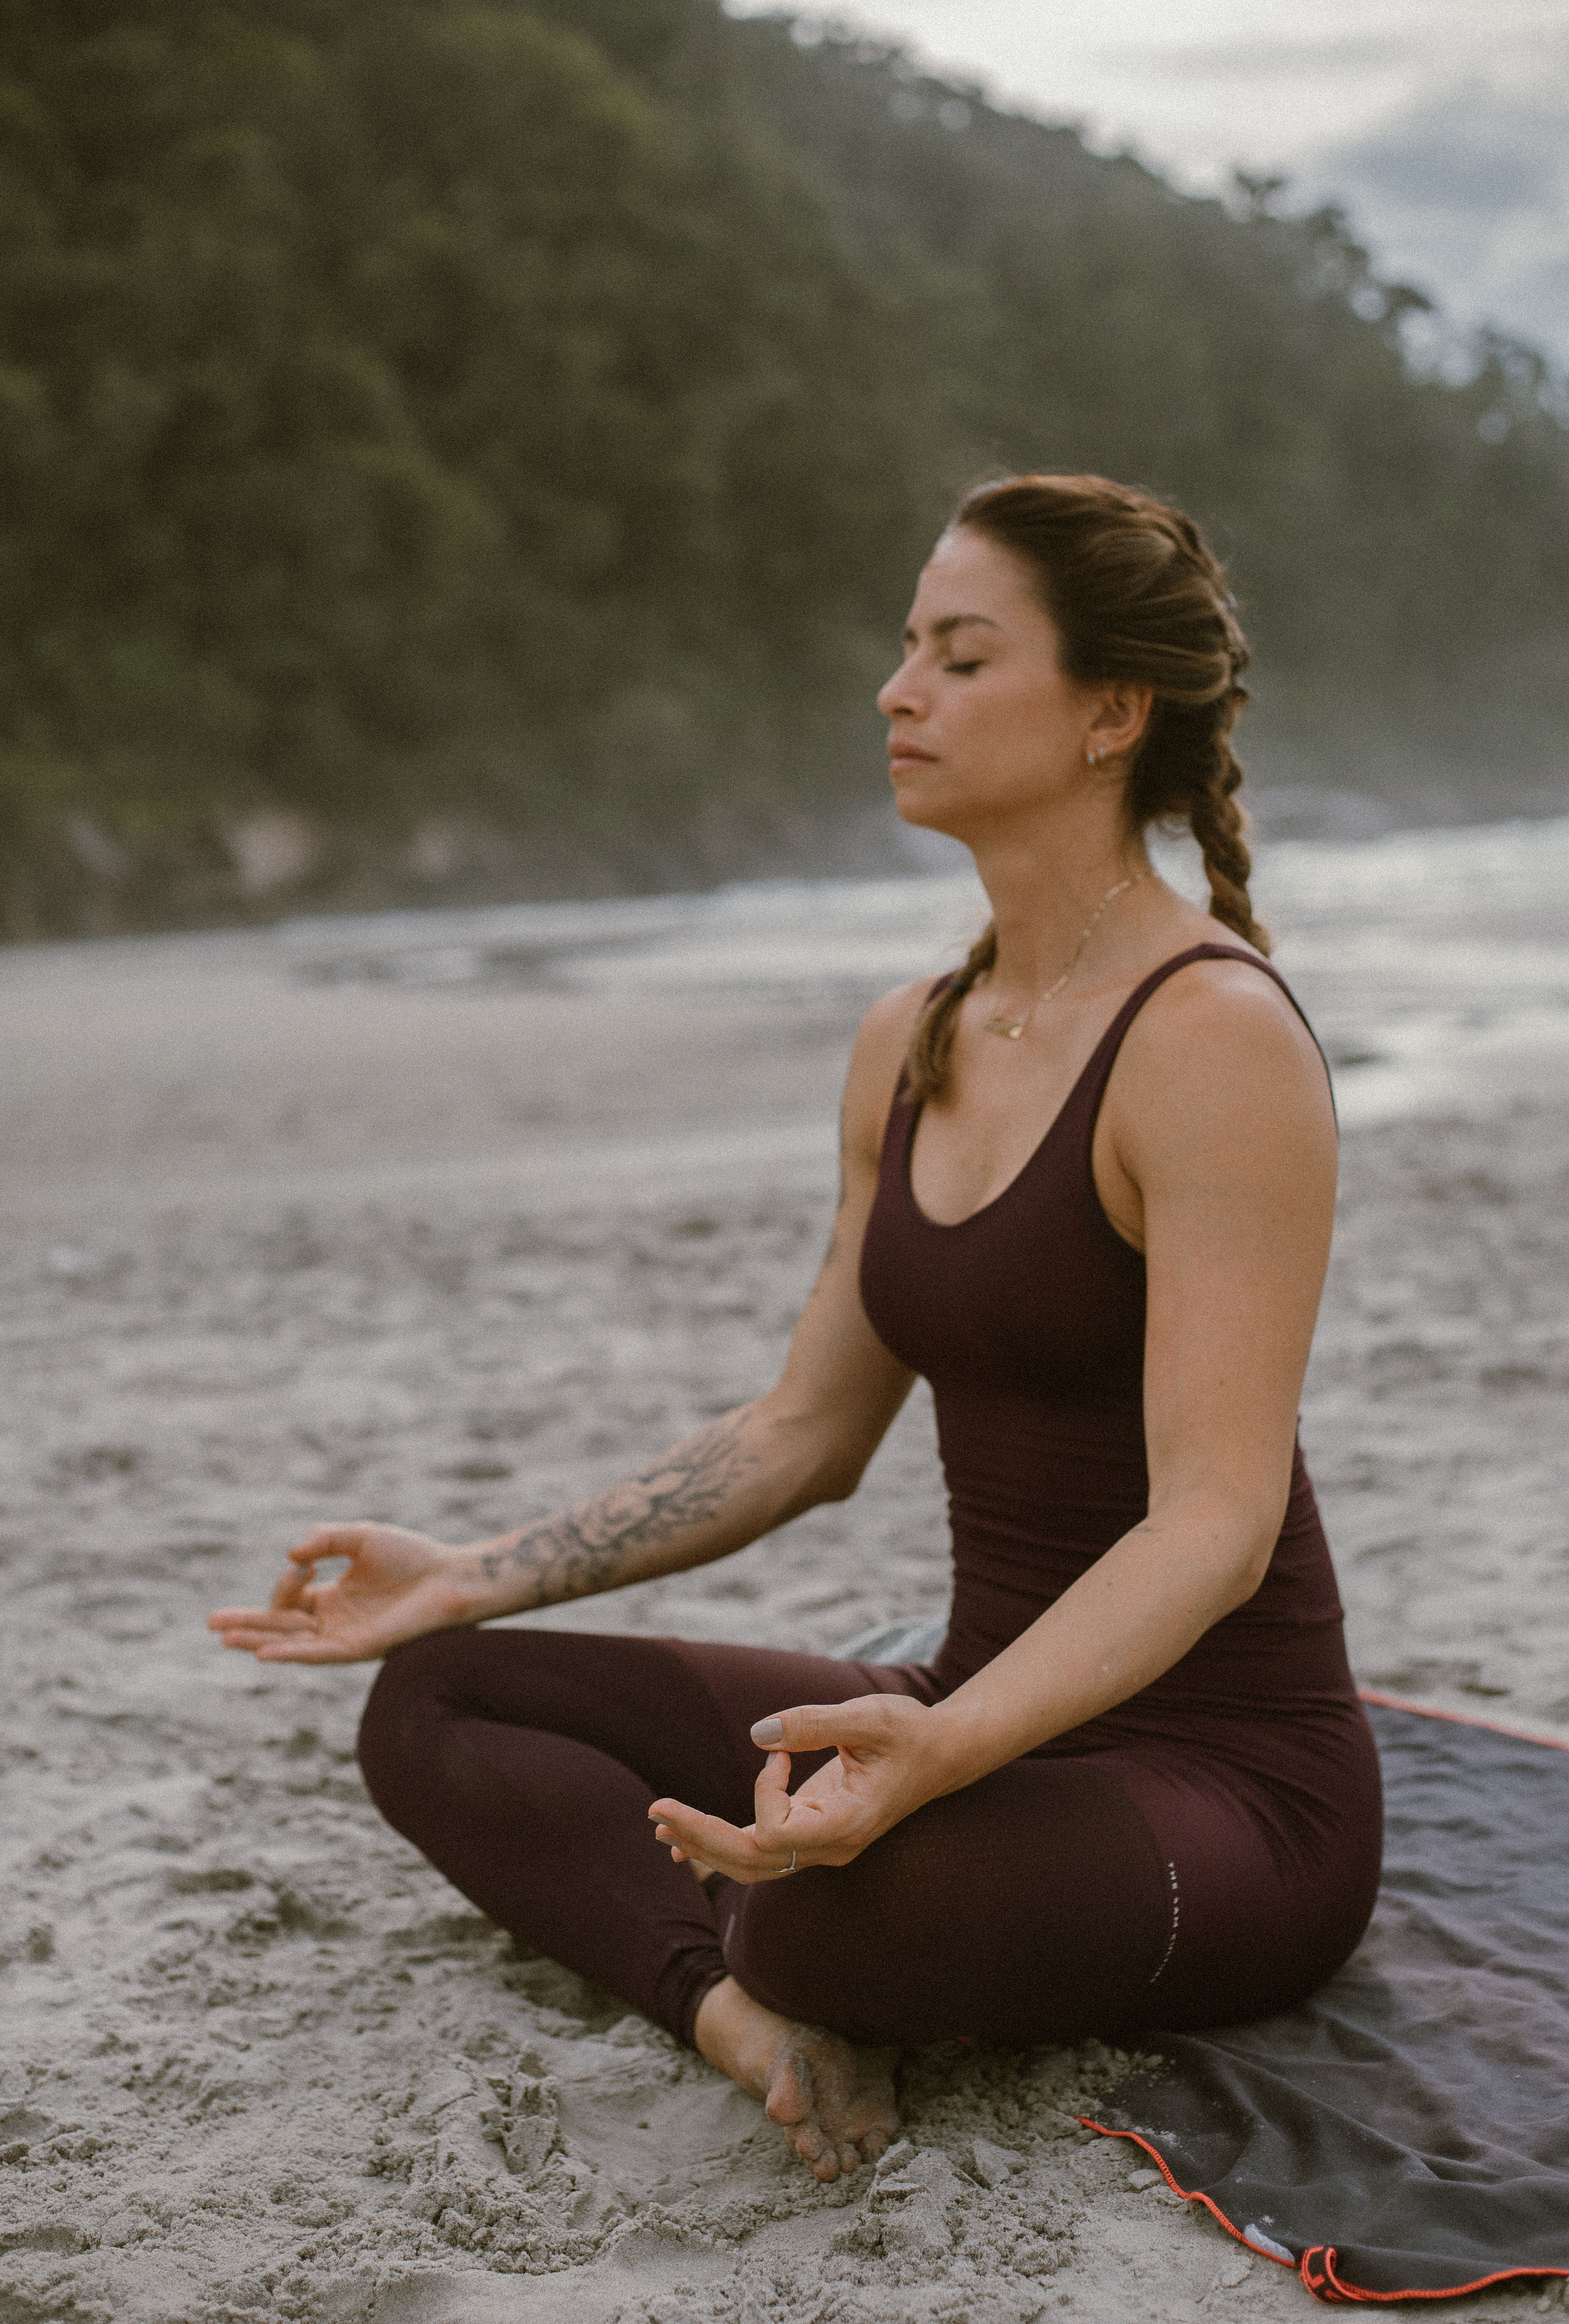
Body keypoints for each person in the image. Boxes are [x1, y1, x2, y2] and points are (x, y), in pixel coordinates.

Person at [211, 473, 1382, 2187]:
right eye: (907, 649)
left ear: (1111, 712)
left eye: (961, 657)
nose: (900, 692)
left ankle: (780, 1962)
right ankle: (738, 2015)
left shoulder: (1212, 1041)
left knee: (837, 1912)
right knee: (438, 1698)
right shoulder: (915, 1036)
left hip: (1222, 1784)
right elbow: (804, 1434)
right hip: (964, 1707)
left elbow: (1215, 1524)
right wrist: (474, 1571)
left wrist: (942, 1753)